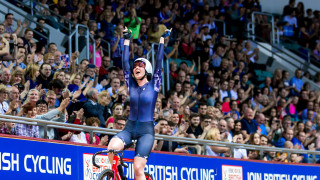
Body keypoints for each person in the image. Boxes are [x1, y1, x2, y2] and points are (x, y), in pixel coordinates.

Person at [107, 27, 168, 180]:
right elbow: (125, 63)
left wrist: (162, 40)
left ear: (147, 69)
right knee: (111, 149)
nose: (136, 68)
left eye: (140, 65)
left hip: (146, 132)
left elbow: (159, 62)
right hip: (129, 128)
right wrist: (126, 39)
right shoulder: (131, 85)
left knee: (138, 168)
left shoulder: (154, 85)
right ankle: (119, 175)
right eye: (135, 66)